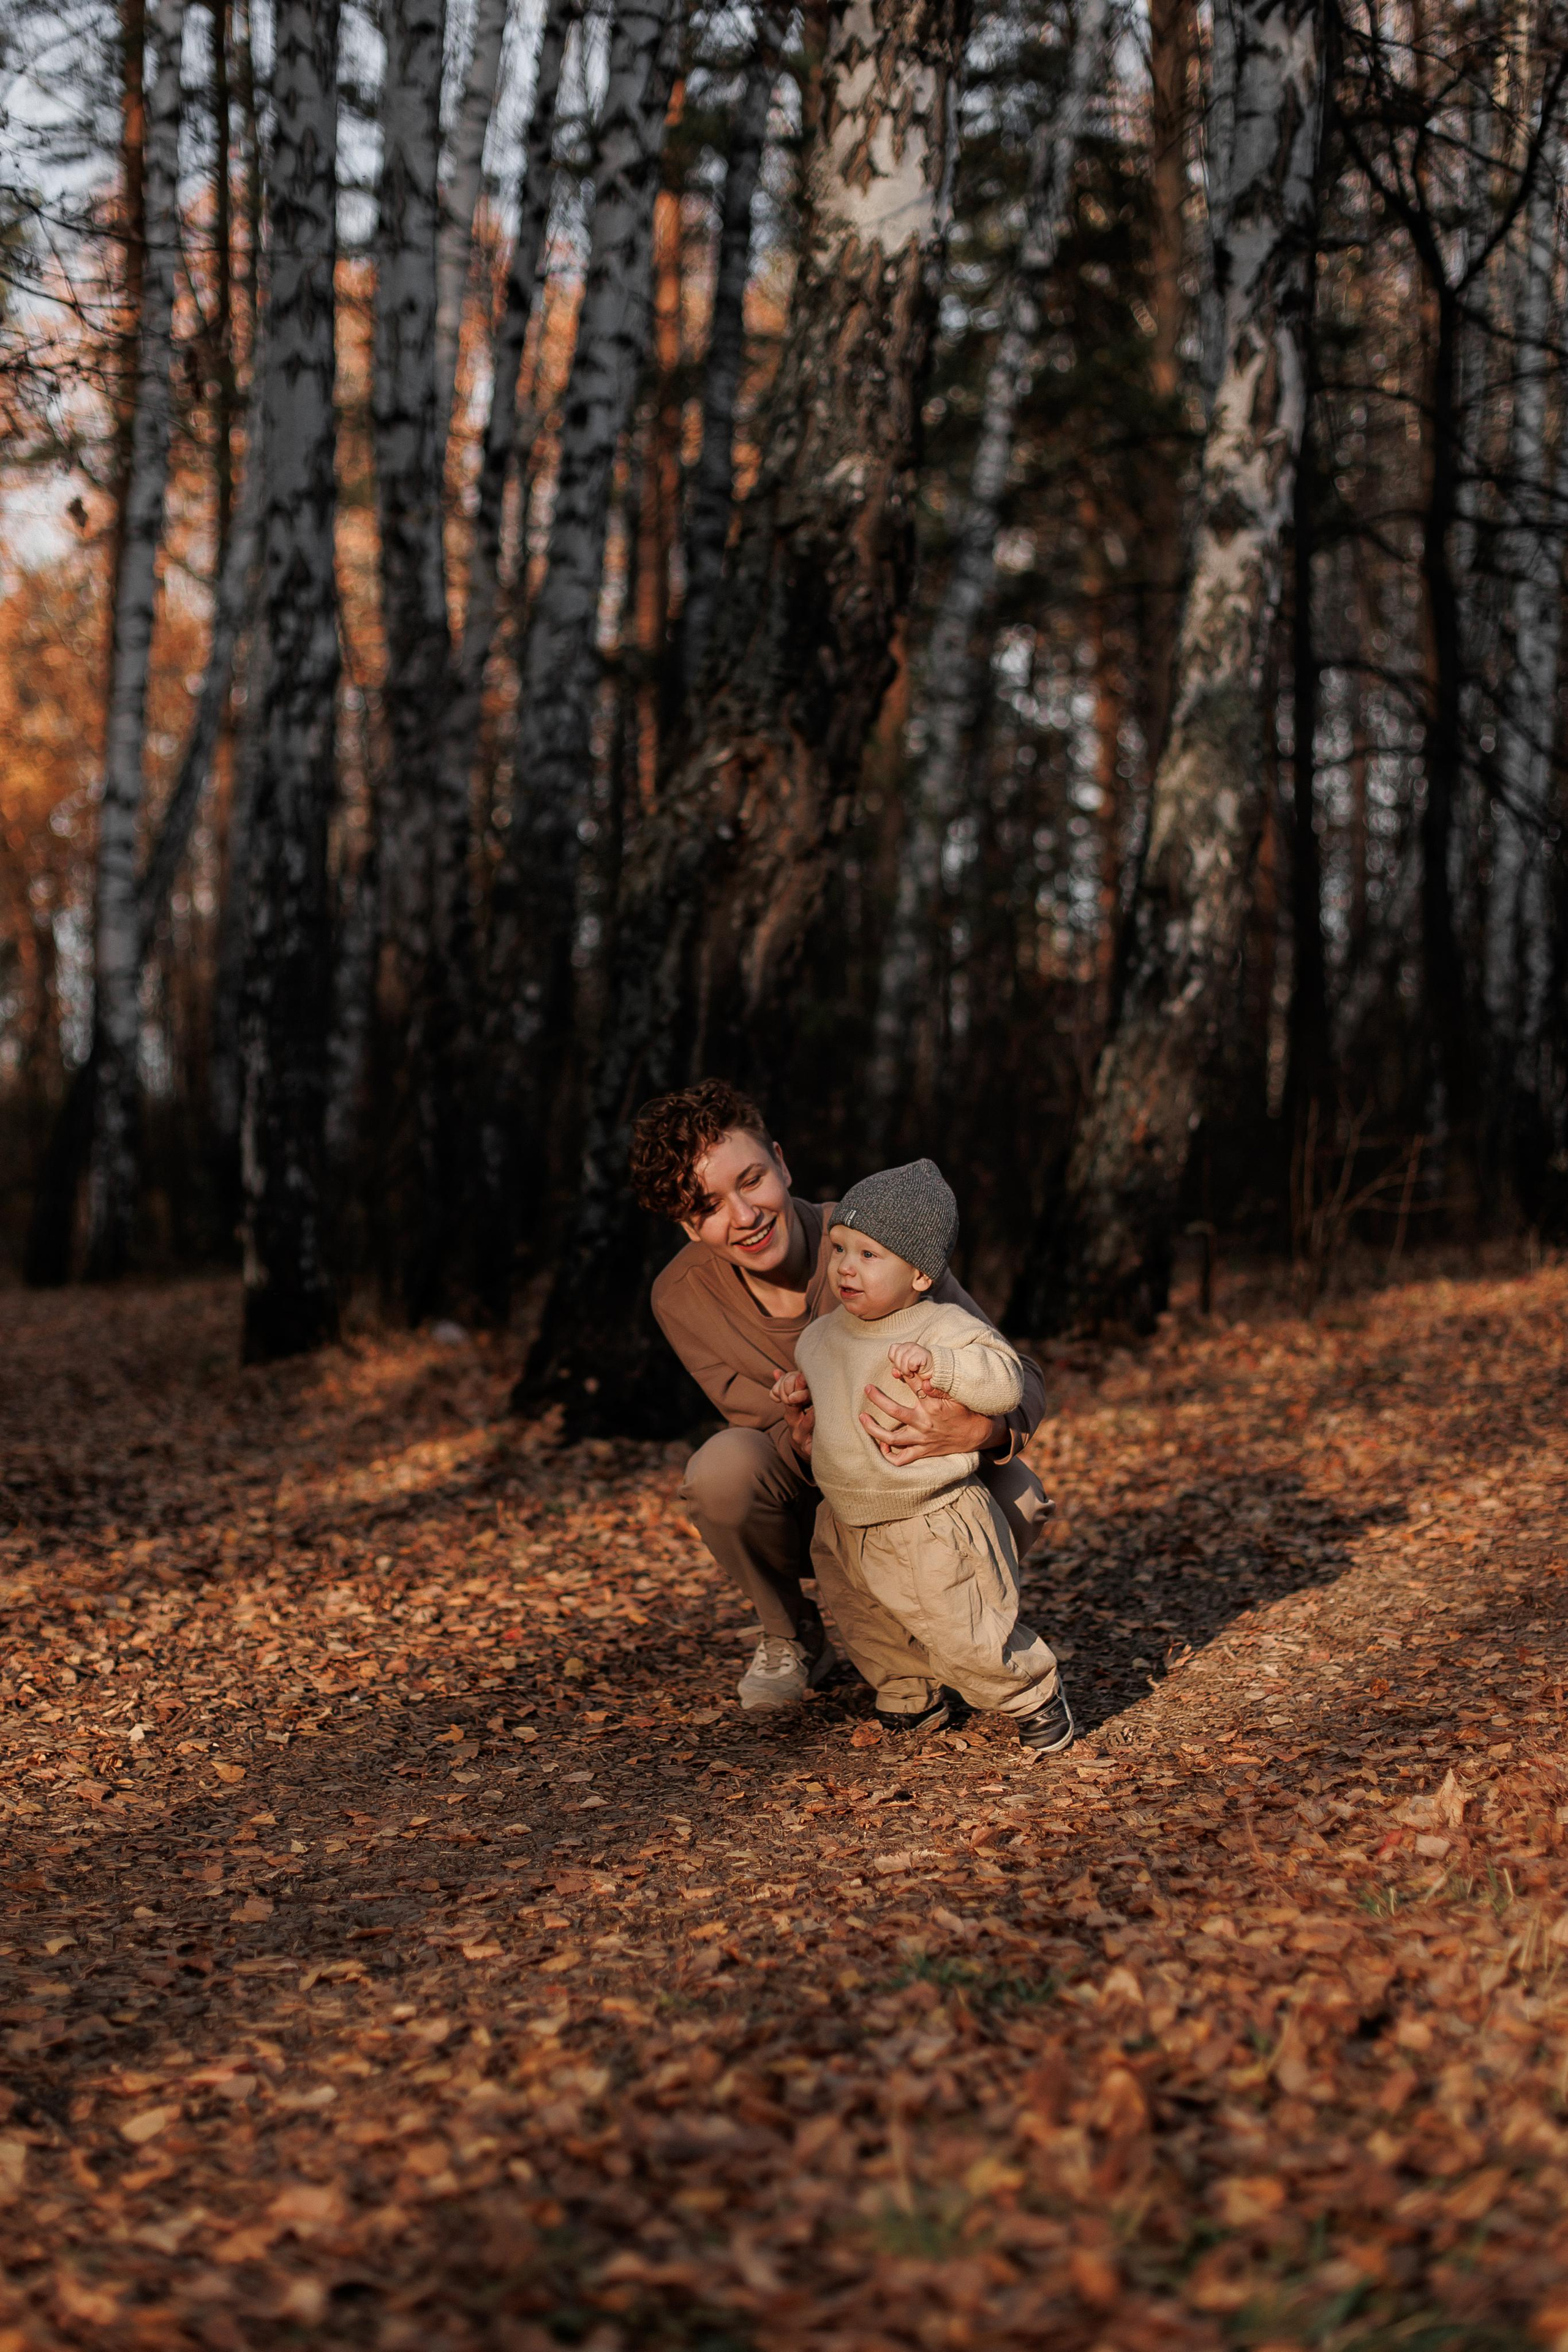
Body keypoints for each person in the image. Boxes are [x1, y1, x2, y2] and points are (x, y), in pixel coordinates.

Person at [635, 1080, 1051, 1711]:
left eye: (751, 1180)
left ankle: (939, 1625)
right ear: (688, 1227)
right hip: (815, 1493)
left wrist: (982, 1433)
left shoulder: (877, 1235)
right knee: (718, 1471)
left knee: (1019, 1496)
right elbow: (755, 1429)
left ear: (780, 1160)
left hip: (920, 1483)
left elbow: (1018, 1376)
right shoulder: (681, 1296)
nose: (744, 1216)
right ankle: (792, 1635)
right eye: (709, 1207)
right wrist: (805, 1437)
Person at [774, 1159, 1072, 1752]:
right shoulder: (821, 1336)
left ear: (919, 1275)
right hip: (845, 1516)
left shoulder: (943, 1327)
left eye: (869, 1255)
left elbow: (1005, 1382)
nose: (846, 1268)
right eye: (840, 1250)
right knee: (867, 1622)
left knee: (963, 1626)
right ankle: (911, 1693)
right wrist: (796, 1393)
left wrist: (944, 1368)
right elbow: (824, 1397)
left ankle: (1032, 1694)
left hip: (929, 1517)